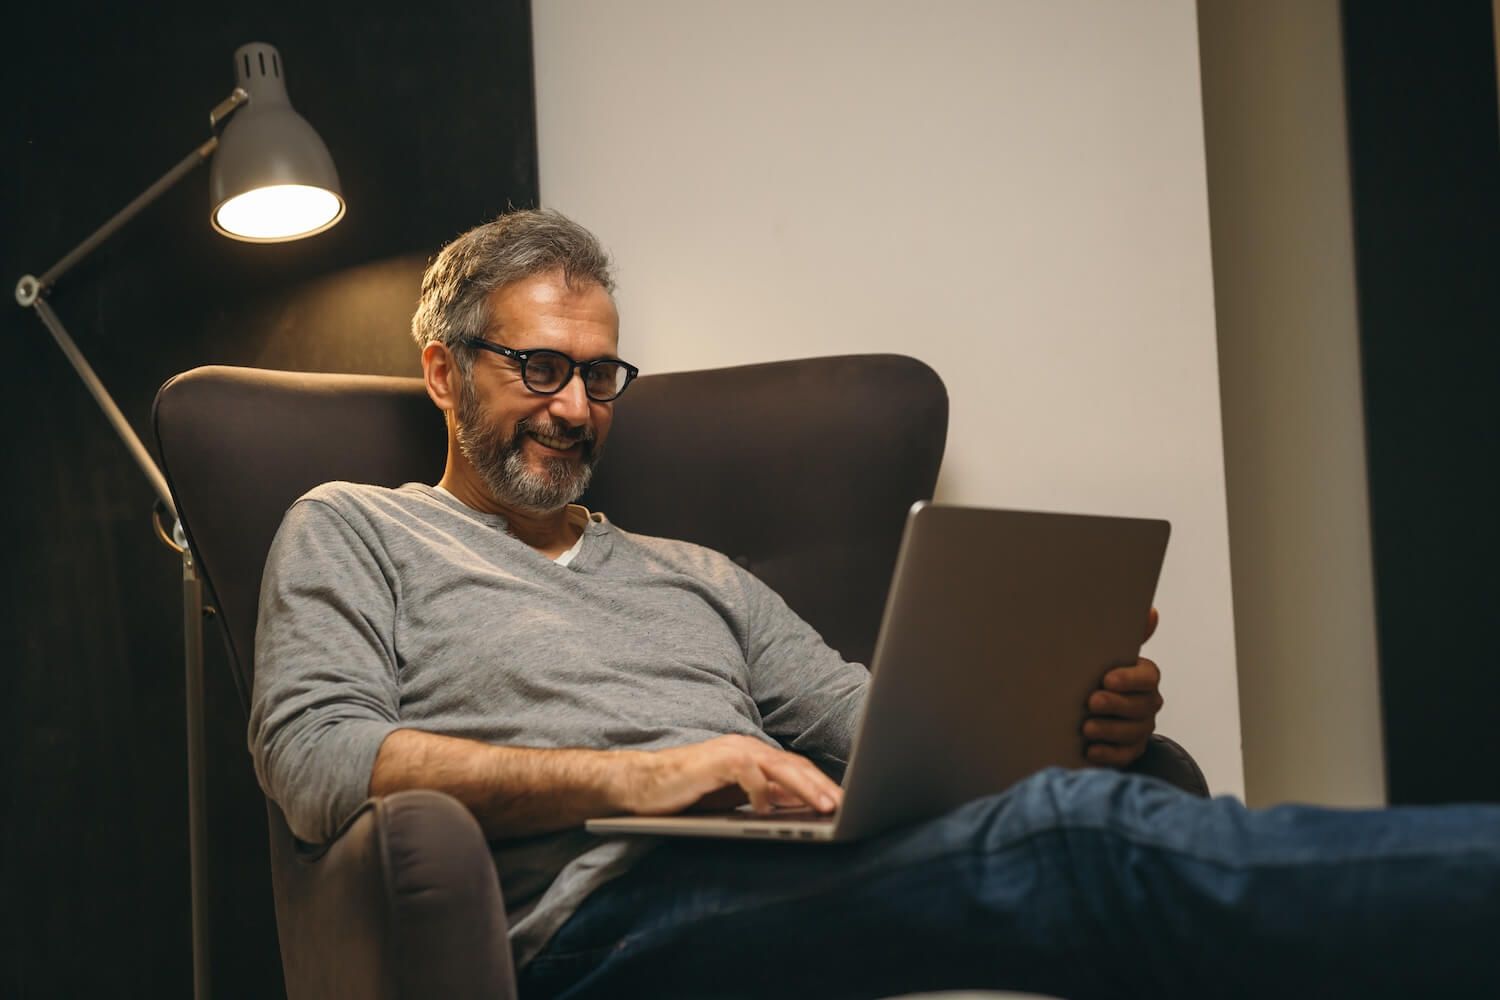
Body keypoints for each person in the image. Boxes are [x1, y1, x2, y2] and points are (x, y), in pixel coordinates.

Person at [251, 209, 1499, 1000]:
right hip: (601, 930)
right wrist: (639, 777)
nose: (576, 408)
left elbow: (880, 723)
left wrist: (1073, 717)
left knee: (1092, 822)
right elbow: (317, 761)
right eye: (539, 367)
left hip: (778, 884)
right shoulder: (355, 527)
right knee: (1078, 846)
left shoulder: (699, 575)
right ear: (442, 369)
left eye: (600, 374)